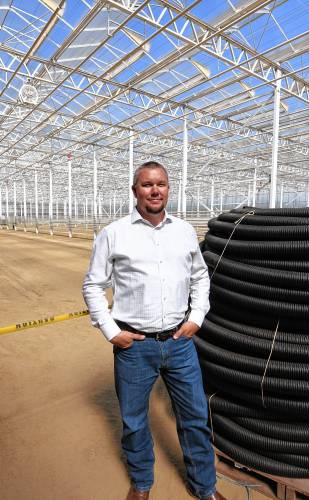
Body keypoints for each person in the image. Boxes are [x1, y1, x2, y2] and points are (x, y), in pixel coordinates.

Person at [82, 161, 225, 500]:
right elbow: (93, 285)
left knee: (195, 417)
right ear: (135, 191)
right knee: (134, 421)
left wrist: (197, 317)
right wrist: (110, 330)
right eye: (147, 185)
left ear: (168, 189)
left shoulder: (185, 231)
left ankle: (204, 487)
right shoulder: (114, 233)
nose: (155, 190)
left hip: (180, 342)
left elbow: (200, 277)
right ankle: (142, 483)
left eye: (161, 184)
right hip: (135, 346)